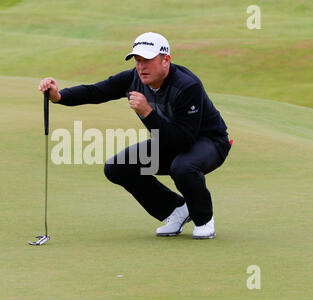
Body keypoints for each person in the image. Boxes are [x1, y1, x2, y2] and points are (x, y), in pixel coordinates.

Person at [39, 32, 231, 239]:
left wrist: (147, 113)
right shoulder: (133, 79)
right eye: (138, 60)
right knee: (117, 167)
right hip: (171, 141)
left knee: (182, 167)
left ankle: (203, 220)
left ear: (166, 60)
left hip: (210, 142)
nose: (141, 67)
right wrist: (59, 96)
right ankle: (176, 210)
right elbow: (95, 92)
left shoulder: (187, 86)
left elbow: (184, 140)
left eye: (147, 60)